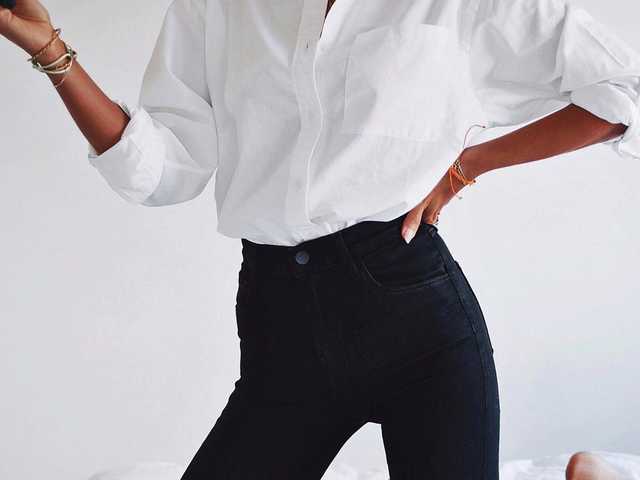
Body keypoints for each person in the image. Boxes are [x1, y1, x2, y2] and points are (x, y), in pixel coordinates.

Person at [2, 0, 638, 478]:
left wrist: (467, 165)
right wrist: (53, 53)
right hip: (282, 329)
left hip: (416, 319)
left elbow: (623, 93)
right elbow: (164, 172)